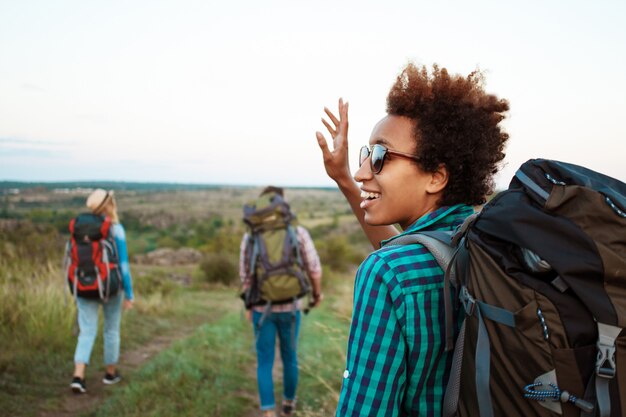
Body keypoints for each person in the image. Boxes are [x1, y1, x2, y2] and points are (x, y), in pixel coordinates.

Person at [315, 63, 510, 416]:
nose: (362, 172)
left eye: (380, 157)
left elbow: (366, 409)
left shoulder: (388, 273)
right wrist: (343, 178)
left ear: (435, 177)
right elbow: (409, 251)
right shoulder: (484, 243)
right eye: (365, 154)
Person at [239, 186, 323, 417]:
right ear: (282, 205)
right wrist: (317, 295)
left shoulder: (251, 236)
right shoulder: (298, 232)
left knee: (264, 360)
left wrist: (248, 305)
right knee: (290, 357)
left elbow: (245, 276)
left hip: (260, 308)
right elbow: (314, 269)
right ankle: (289, 405)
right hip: (292, 306)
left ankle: (268, 413)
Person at [70, 189, 134, 394]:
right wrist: (129, 293)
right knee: (111, 330)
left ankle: (78, 377)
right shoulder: (116, 230)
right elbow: (123, 266)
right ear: (110, 204)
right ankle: (110, 374)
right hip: (110, 287)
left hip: (83, 286)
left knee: (86, 331)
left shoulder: (80, 229)